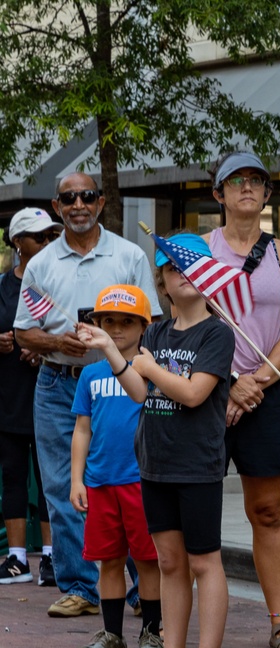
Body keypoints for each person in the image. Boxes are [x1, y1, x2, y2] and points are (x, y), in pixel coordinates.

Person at [77, 233, 235, 648]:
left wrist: (150, 368)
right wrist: (110, 348)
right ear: (162, 279)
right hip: (154, 462)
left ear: (208, 277)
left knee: (204, 561)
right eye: (173, 268)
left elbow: (192, 393)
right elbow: (141, 392)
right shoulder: (158, 332)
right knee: (169, 563)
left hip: (198, 464)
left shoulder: (217, 333)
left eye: (193, 267)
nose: (184, 275)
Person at [13, 174, 160, 616]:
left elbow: (151, 320)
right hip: (58, 382)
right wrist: (58, 343)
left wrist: (117, 352)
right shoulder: (41, 264)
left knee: (129, 483)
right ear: (57, 207)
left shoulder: (129, 254)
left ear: (101, 203)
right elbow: (23, 332)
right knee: (61, 486)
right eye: (69, 198)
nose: (79, 204)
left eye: (88, 196)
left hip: (120, 382)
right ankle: (81, 587)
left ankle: (138, 591)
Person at [208, 151, 280, 648]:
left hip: (265, 392)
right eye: (236, 180)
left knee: (268, 510)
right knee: (193, 506)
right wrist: (228, 381)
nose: (246, 187)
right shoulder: (195, 251)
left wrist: (253, 383)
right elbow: (185, 322)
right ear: (219, 193)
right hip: (205, 391)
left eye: (256, 181)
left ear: (267, 194)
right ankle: (168, 620)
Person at [70, 285, 162, 648]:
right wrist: (77, 479)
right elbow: (82, 429)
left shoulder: (151, 368)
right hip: (101, 482)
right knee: (108, 560)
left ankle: (153, 634)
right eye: (109, 321)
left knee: (147, 561)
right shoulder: (90, 374)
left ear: (144, 326)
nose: (117, 329)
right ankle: (112, 636)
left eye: (127, 322)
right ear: (97, 325)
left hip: (141, 481)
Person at [0, 208, 58, 585]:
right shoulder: (2, 285)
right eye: (40, 237)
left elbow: (77, 331)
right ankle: (17, 558)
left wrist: (45, 348)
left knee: (52, 478)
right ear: (19, 243)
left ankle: (54, 558)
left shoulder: (60, 280)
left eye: (52, 236)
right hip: (9, 396)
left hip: (52, 395)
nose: (48, 243)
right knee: (14, 475)